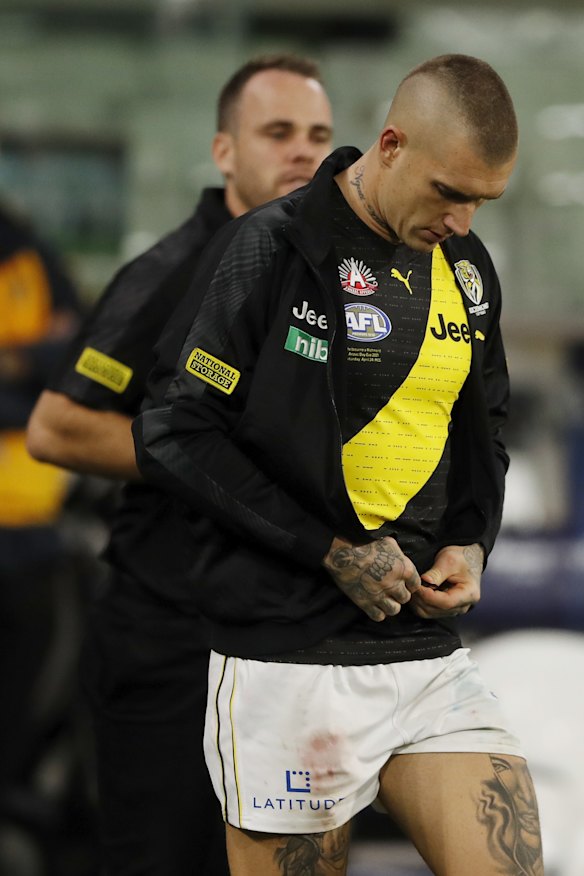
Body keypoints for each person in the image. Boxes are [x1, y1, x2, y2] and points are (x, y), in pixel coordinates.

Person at [127, 54, 544, 875]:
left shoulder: (465, 267)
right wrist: (331, 549)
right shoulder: (272, 248)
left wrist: (471, 542)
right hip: (285, 653)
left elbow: (485, 426)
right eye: (449, 192)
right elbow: (175, 430)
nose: (462, 220)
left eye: (481, 202)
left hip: (422, 654)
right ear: (389, 144)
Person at [26, 54, 334, 876]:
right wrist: (202, 462)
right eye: (277, 133)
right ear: (224, 153)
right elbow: (56, 429)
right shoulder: (168, 272)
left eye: (318, 136)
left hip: (278, 643)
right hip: (167, 643)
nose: (302, 153)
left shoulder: (329, 280)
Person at [0, 201, 82, 857]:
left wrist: (20, 366)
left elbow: (72, 356)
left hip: (31, 525)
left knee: (31, 674)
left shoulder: (31, 254)